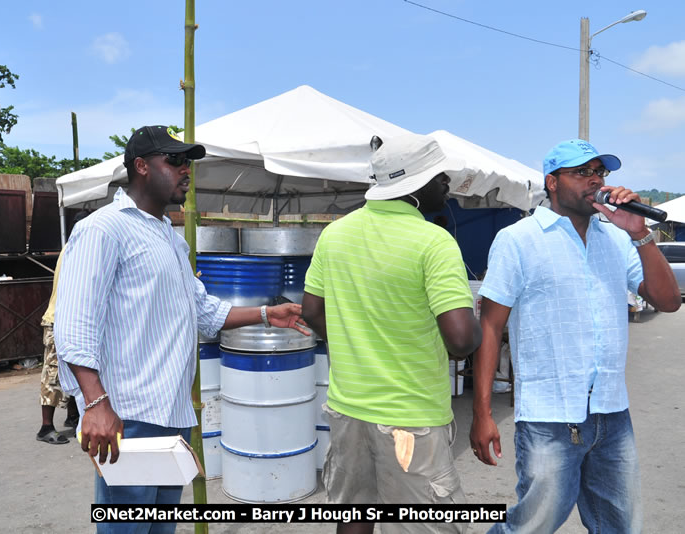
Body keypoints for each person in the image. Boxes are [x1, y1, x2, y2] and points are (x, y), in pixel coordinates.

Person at [54, 125, 307, 534]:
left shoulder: (169, 238)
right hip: (128, 416)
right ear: (141, 166)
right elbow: (74, 324)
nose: (185, 170)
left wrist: (265, 314)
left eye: (187, 162)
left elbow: (203, 311)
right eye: (174, 161)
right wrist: (96, 403)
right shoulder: (104, 229)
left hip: (169, 414)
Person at [469, 139, 681, 533]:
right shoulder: (519, 239)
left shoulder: (618, 238)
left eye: (599, 172)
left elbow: (668, 301)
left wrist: (640, 234)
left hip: (612, 412)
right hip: (548, 415)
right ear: (552, 182)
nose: (595, 180)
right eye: (582, 172)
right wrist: (482, 413)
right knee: (533, 525)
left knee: (620, 525)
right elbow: (491, 326)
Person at [302, 134, 482, 534]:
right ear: (414, 185)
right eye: (439, 176)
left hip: (348, 409)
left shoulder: (335, 234)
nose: (447, 183)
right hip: (410, 419)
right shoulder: (434, 242)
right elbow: (460, 342)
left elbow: (311, 311)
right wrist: (479, 322)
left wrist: (357, 342)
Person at [35, 212, 89, 445]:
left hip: (70, 320)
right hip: (59, 320)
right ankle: (45, 427)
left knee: (78, 367)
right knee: (53, 373)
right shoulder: (74, 250)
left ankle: (73, 416)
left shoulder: (77, 248)